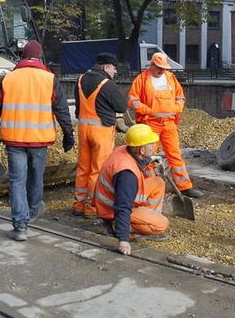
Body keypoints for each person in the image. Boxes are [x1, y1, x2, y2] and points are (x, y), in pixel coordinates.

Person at [0, 40, 74, 241]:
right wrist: (68, 134)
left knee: (17, 181)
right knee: (36, 178)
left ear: (22, 57)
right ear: (40, 57)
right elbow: (61, 110)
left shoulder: (8, 79)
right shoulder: (49, 79)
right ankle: (33, 210)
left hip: (14, 140)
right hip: (39, 141)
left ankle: (20, 227)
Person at [128, 52, 203, 198]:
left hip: (169, 124)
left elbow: (180, 97)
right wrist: (148, 110)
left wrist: (177, 108)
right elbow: (133, 100)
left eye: (164, 68)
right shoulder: (141, 79)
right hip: (150, 124)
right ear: (152, 65)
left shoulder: (170, 78)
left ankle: (185, 187)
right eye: (159, 67)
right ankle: (149, 185)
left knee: (175, 155)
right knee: (147, 156)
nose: (162, 70)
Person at [93, 124, 169, 255]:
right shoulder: (127, 174)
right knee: (161, 224)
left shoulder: (125, 149)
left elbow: (137, 160)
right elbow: (122, 206)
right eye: (150, 144)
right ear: (141, 150)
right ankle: (117, 226)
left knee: (158, 183)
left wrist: (149, 160)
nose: (154, 146)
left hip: (117, 197)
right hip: (111, 209)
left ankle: (144, 218)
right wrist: (123, 239)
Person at [72, 52, 129, 218]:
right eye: (113, 68)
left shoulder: (81, 79)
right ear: (105, 67)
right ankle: (91, 207)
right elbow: (121, 107)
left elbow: (78, 106)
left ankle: (78, 204)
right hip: (101, 131)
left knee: (83, 168)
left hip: (83, 129)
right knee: (98, 170)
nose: (115, 72)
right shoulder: (107, 84)